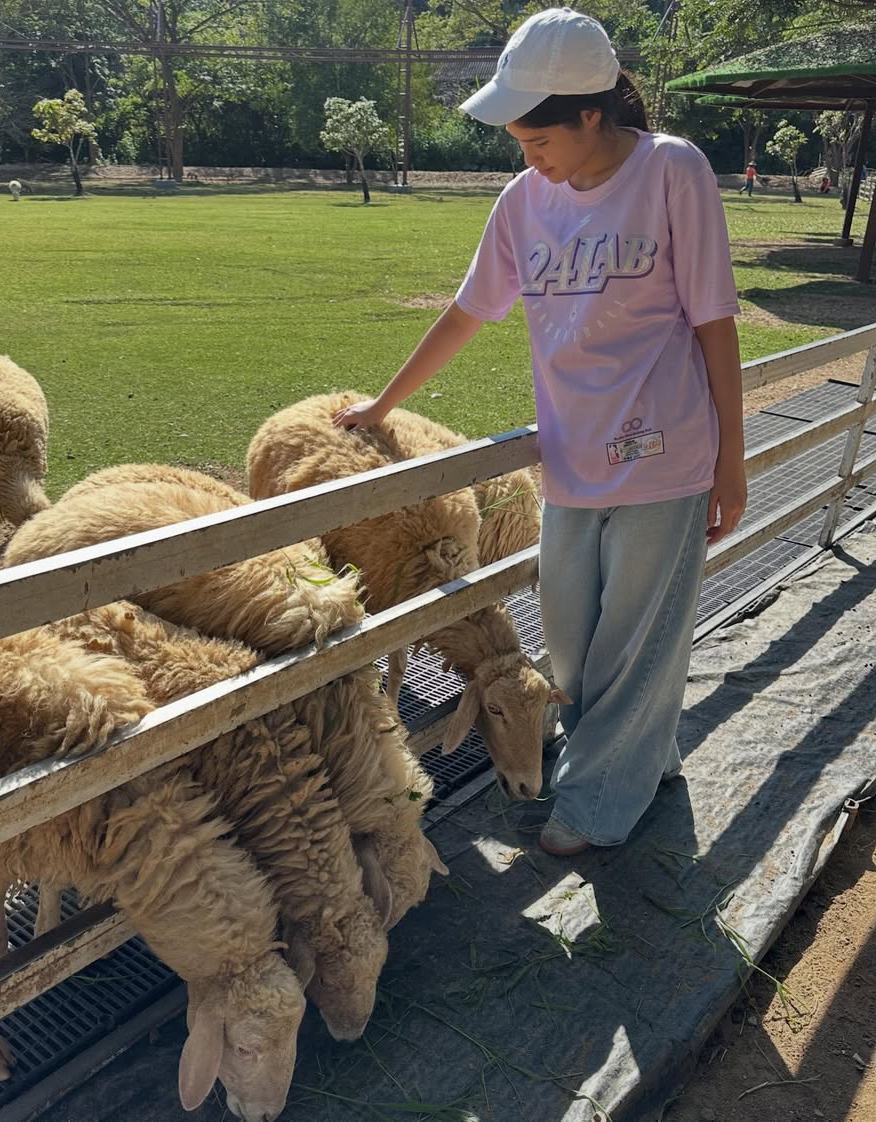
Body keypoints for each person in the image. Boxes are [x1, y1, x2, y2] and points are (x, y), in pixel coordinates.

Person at [332, 7, 746, 857]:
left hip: (665, 453)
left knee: (636, 641)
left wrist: (732, 463)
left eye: (540, 140)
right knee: (571, 643)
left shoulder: (673, 170)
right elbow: (467, 312)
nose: (531, 158)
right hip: (569, 459)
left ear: (592, 113)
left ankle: (594, 805)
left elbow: (715, 321)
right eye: (521, 144)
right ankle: (644, 758)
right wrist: (382, 403)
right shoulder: (524, 202)